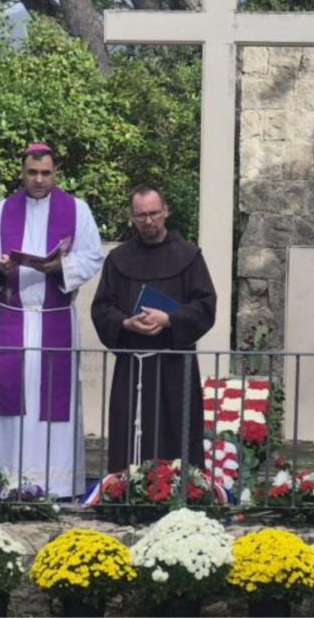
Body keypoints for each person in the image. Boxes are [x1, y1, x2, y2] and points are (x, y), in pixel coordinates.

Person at [0, 143, 104, 497]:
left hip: (54, 319)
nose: (39, 179)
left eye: (46, 173)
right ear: (22, 173)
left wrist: (60, 266)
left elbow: (93, 255)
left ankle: (57, 483)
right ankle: (1, 480)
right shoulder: (1, 211)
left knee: (53, 407)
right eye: (32, 173)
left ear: (55, 173)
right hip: (14, 319)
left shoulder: (77, 210)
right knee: (11, 405)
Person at [91, 186, 217, 473]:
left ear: (166, 212)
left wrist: (170, 319)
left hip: (175, 363)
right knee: (130, 431)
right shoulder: (118, 259)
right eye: (141, 215)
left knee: (176, 430)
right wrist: (125, 322)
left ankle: (179, 493)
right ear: (132, 217)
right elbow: (101, 308)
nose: (148, 221)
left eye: (153, 214)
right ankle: (126, 493)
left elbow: (206, 305)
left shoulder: (189, 256)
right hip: (132, 365)